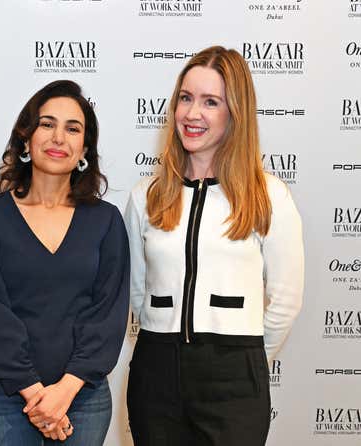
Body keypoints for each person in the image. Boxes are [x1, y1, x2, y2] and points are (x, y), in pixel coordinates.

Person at [124, 46, 304, 446]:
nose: (192, 114)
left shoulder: (269, 197)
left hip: (235, 381)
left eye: (210, 102)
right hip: (156, 375)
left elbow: (286, 301)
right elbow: (139, 291)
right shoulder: (146, 196)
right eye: (185, 99)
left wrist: (244, 360)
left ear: (235, 112)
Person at [0, 80, 129, 445]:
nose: (59, 137)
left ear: (84, 148)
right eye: (47, 124)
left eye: (73, 128)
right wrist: (37, 395)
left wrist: (64, 392)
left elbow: (108, 315)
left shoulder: (106, 221)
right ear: (26, 139)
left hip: (83, 398)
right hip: (6, 397)